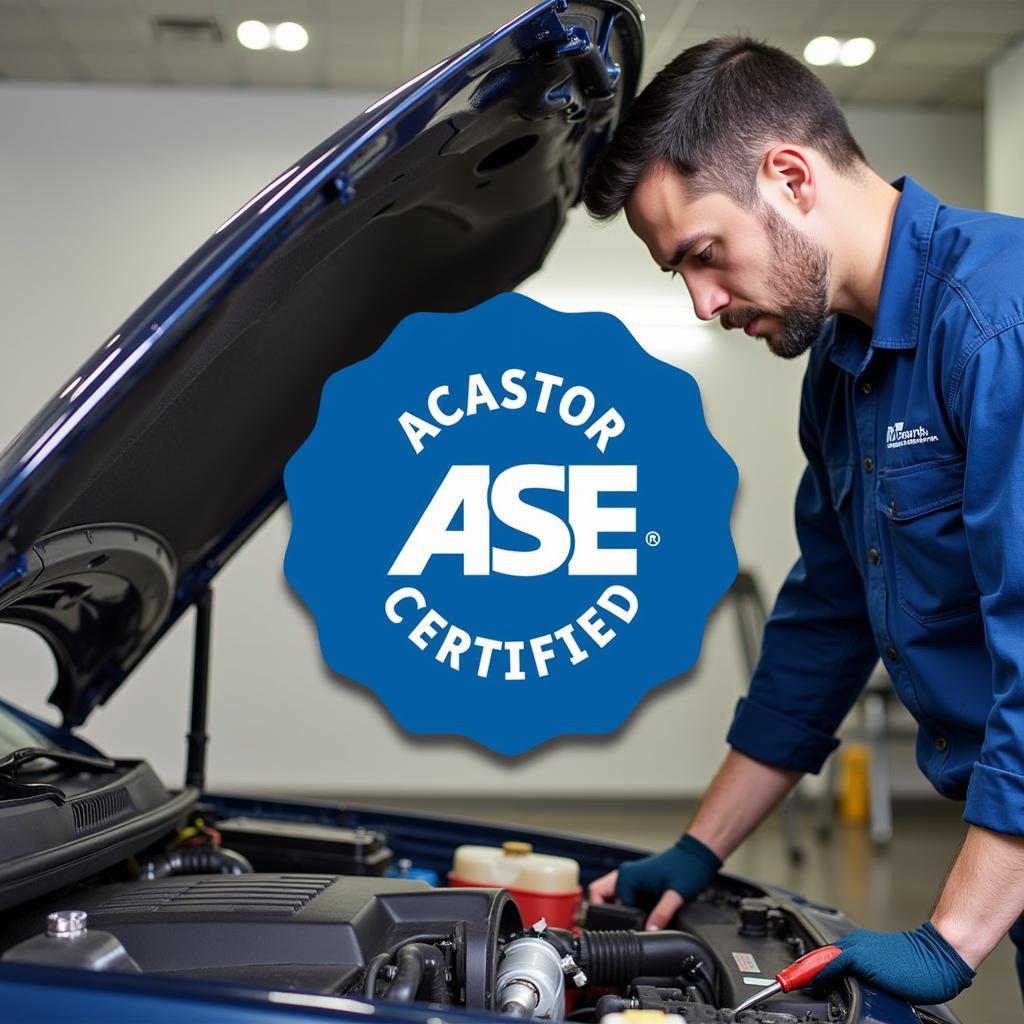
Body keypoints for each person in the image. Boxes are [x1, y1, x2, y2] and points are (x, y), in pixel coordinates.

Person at [580, 36, 1024, 1009]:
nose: (702, 302)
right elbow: (826, 623)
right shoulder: (838, 372)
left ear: (788, 176)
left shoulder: (998, 323)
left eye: (703, 254)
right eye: (677, 275)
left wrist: (952, 936)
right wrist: (701, 847)